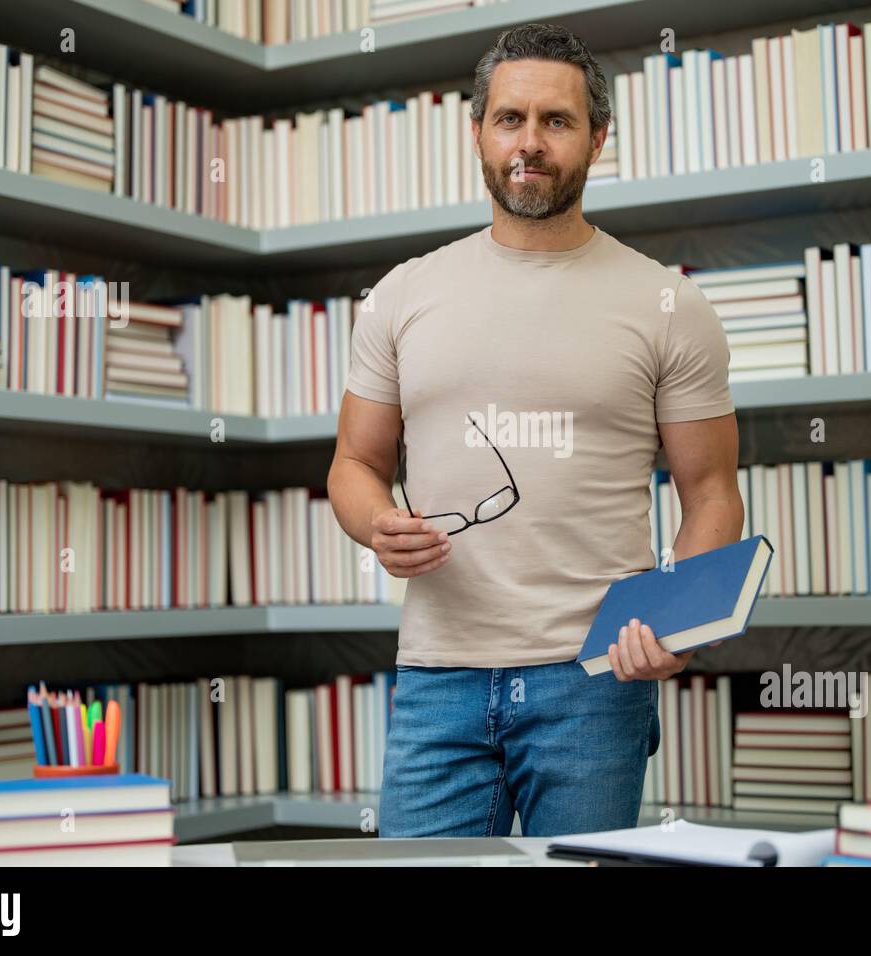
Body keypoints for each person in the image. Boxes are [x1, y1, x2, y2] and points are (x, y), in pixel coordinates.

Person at [328, 22, 743, 838]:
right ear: (477, 131)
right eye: (510, 119)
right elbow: (353, 463)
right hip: (437, 678)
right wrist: (376, 525)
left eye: (556, 121)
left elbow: (711, 492)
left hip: (594, 678)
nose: (531, 142)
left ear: (598, 136)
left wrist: (682, 625)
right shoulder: (401, 296)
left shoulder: (669, 304)